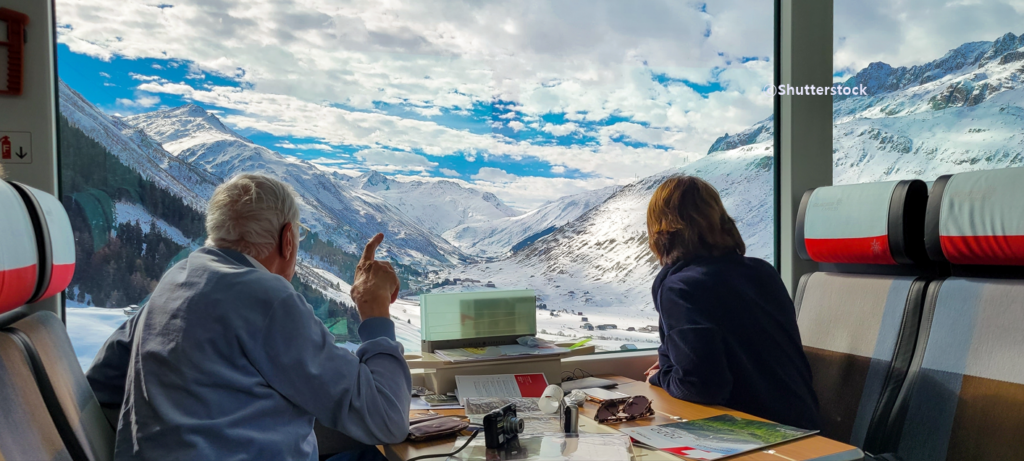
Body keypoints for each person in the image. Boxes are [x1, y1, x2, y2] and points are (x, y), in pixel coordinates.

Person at [87, 174, 411, 461]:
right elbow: (386, 418)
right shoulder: (267, 297)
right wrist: (375, 306)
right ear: (288, 239)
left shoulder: (176, 279)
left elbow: (102, 382)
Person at [643, 175, 820, 430]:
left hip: (757, 437)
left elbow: (702, 386)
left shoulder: (681, 289)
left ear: (660, 231)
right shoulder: (762, 271)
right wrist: (674, 361)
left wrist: (661, 377)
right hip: (806, 428)